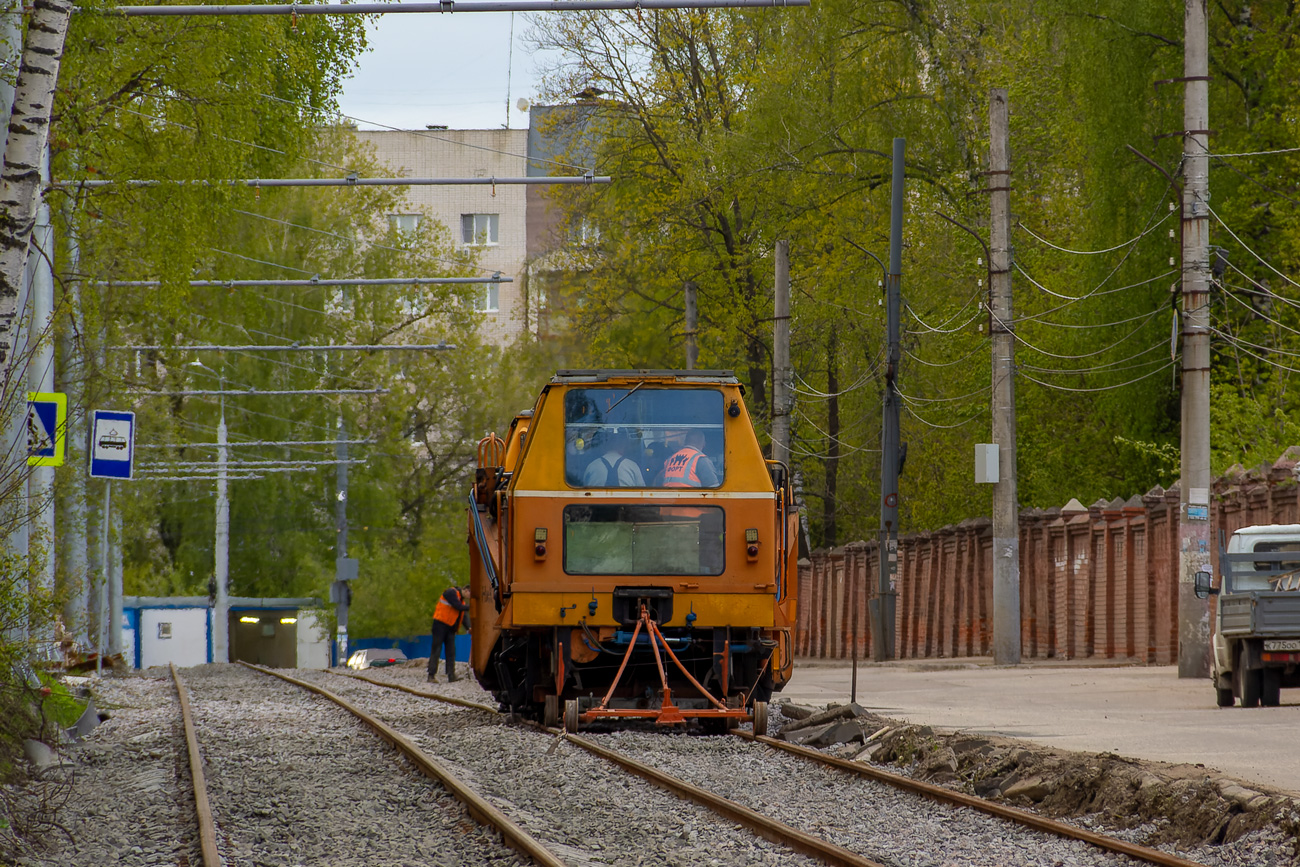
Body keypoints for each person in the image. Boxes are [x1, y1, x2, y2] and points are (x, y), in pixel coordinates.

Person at [428, 585, 469, 682]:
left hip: (450, 628)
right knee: (436, 650)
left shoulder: (461, 601)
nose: (469, 597)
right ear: (466, 590)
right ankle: (431, 675)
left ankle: (451, 675)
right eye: (469, 594)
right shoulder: (451, 593)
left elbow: (462, 616)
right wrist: (472, 606)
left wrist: (468, 627)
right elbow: (457, 606)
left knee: (451, 652)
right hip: (440, 625)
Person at [581, 431, 645, 487]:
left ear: (605, 445)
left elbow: (584, 488)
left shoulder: (592, 466)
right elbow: (642, 490)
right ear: (623, 445)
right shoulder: (632, 466)